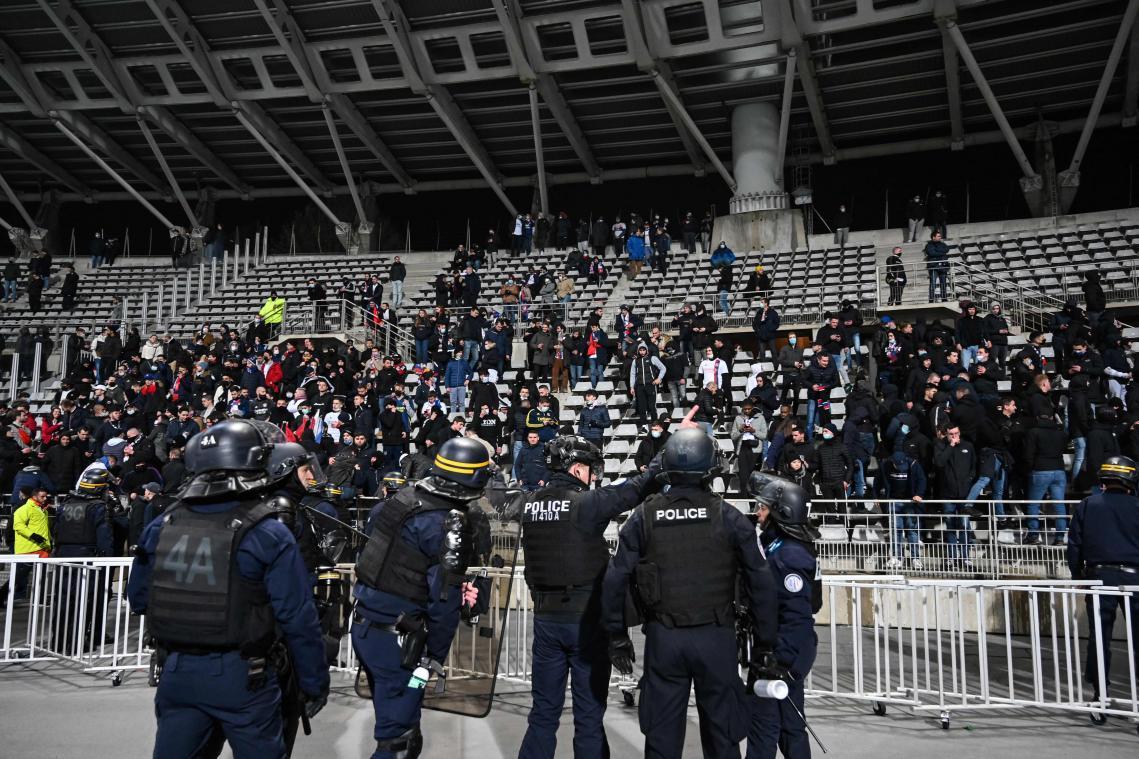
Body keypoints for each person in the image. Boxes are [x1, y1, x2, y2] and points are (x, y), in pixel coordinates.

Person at [127, 420, 330, 758]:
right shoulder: (267, 531)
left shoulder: (161, 525)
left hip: (177, 672)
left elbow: (139, 598)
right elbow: (297, 617)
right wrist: (313, 683)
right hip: (243, 676)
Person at [602, 429, 778, 759]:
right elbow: (761, 581)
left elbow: (615, 579)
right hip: (716, 638)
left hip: (664, 639)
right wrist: (766, 643)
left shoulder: (644, 516)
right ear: (711, 468)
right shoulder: (731, 518)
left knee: (662, 741)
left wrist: (616, 635)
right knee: (724, 739)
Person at [516, 436, 662, 758]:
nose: (594, 478)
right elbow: (633, 490)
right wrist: (662, 459)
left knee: (542, 715)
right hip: (585, 623)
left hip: (545, 622)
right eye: (592, 471)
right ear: (578, 468)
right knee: (588, 718)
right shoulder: (585, 504)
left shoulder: (530, 505)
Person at [351, 436, 490, 759]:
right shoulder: (449, 522)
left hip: (366, 628)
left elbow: (398, 560)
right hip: (401, 644)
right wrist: (434, 658)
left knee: (400, 726)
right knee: (398, 742)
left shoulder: (401, 499)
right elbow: (443, 600)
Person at [747, 476, 820, 759]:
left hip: (782, 653)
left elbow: (797, 615)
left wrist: (779, 660)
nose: (757, 512)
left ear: (781, 512)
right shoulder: (780, 546)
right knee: (790, 726)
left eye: (763, 508)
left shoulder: (789, 555)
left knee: (767, 727)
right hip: (783, 650)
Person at [1066, 456, 1139, 699]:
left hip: (1098, 577)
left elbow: (1074, 544)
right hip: (1135, 578)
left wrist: (1078, 576)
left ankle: (1100, 693)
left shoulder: (1088, 504)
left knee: (1099, 636)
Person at [630, 343, 666, 429]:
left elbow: (663, 368)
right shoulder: (635, 361)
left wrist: (659, 378)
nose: (642, 352)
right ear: (638, 351)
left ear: (646, 350)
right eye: (640, 350)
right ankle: (644, 426)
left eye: (643, 350)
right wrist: (632, 386)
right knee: (642, 407)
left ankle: (655, 425)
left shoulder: (652, 358)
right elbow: (632, 374)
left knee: (652, 407)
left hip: (651, 385)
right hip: (639, 386)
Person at [924, 231, 950, 302]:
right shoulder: (929, 245)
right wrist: (941, 253)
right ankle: (931, 299)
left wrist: (937, 251)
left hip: (943, 266)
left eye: (940, 236)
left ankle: (944, 298)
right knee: (933, 284)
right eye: (938, 236)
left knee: (943, 283)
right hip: (933, 267)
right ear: (933, 237)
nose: (940, 237)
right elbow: (931, 253)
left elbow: (947, 250)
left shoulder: (942, 244)